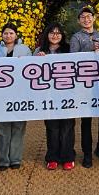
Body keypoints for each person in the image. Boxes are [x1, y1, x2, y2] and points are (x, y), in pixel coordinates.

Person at [69, 6, 99, 168]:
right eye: (83, 17)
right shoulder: (76, 37)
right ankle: (87, 153)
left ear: (94, 18)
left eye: (89, 16)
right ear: (79, 21)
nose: (86, 19)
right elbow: (73, 58)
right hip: (85, 85)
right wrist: (90, 51)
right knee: (86, 120)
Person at [0, 23, 31, 171]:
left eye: (11, 33)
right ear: (2, 35)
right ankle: (3, 160)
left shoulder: (25, 50)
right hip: (1, 95)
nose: (8, 36)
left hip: (20, 94)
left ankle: (15, 159)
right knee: (2, 128)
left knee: (18, 127)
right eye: (5, 33)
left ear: (16, 35)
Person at [35, 22, 76, 171]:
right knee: (52, 127)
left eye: (58, 33)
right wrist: (37, 59)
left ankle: (68, 157)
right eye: (52, 32)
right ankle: (52, 157)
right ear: (47, 35)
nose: (55, 35)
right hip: (48, 95)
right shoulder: (39, 50)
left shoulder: (69, 50)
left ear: (62, 35)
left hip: (67, 94)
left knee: (67, 127)